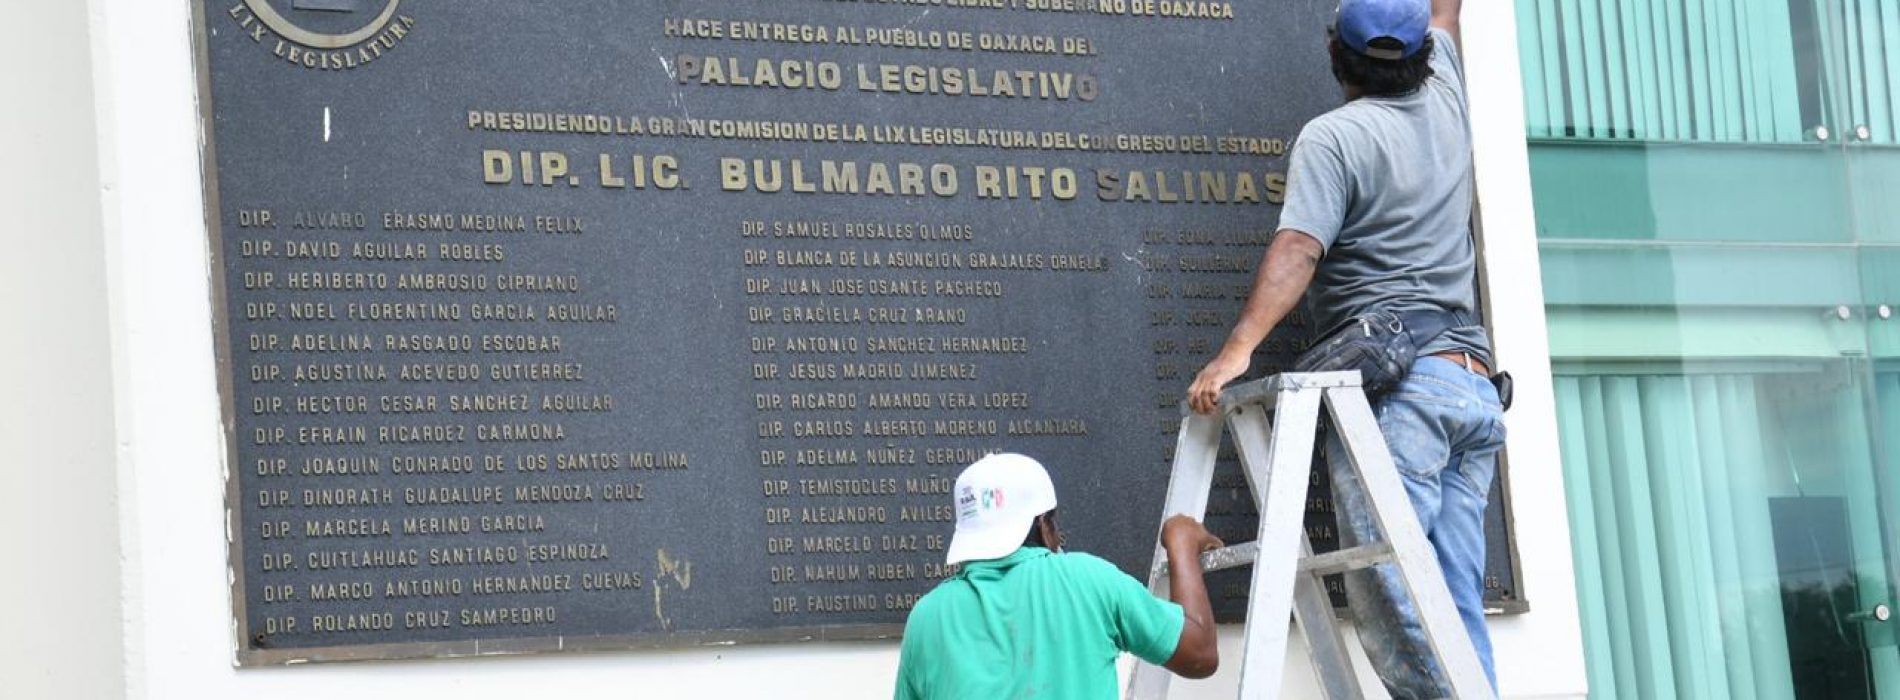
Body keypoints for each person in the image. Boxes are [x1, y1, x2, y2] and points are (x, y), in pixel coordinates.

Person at [1185, 0, 1504, 696]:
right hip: (1472, 386)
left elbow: (1299, 248)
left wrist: (1238, 348)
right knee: (1452, 602)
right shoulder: (1448, 90)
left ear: (1337, 57)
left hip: (1408, 396)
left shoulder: (1334, 138)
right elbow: (1445, 16)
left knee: (1391, 590)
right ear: (1421, 55)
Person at [893, 453, 1222, 699]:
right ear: (1043, 525)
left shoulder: (926, 617)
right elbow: (1200, 655)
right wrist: (1182, 543)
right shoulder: (1088, 580)